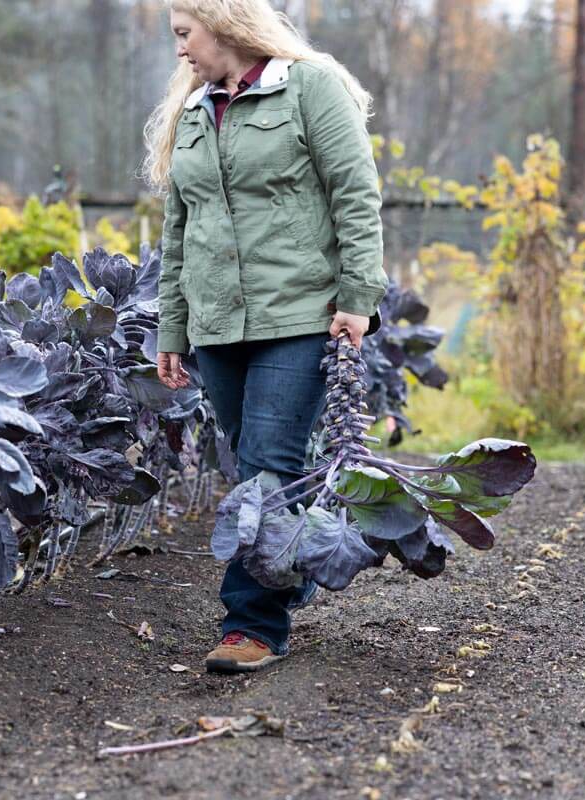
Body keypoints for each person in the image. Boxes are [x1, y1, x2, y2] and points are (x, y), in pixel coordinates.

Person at [142, 0, 388, 674]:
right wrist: (173, 326)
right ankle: (298, 565)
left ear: (223, 25)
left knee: (268, 469)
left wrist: (358, 298)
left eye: (184, 34)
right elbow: (179, 232)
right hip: (218, 324)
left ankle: (250, 625)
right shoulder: (195, 112)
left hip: (301, 317)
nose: (180, 50)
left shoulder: (310, 88)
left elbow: (355, 194)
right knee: (251, 456)